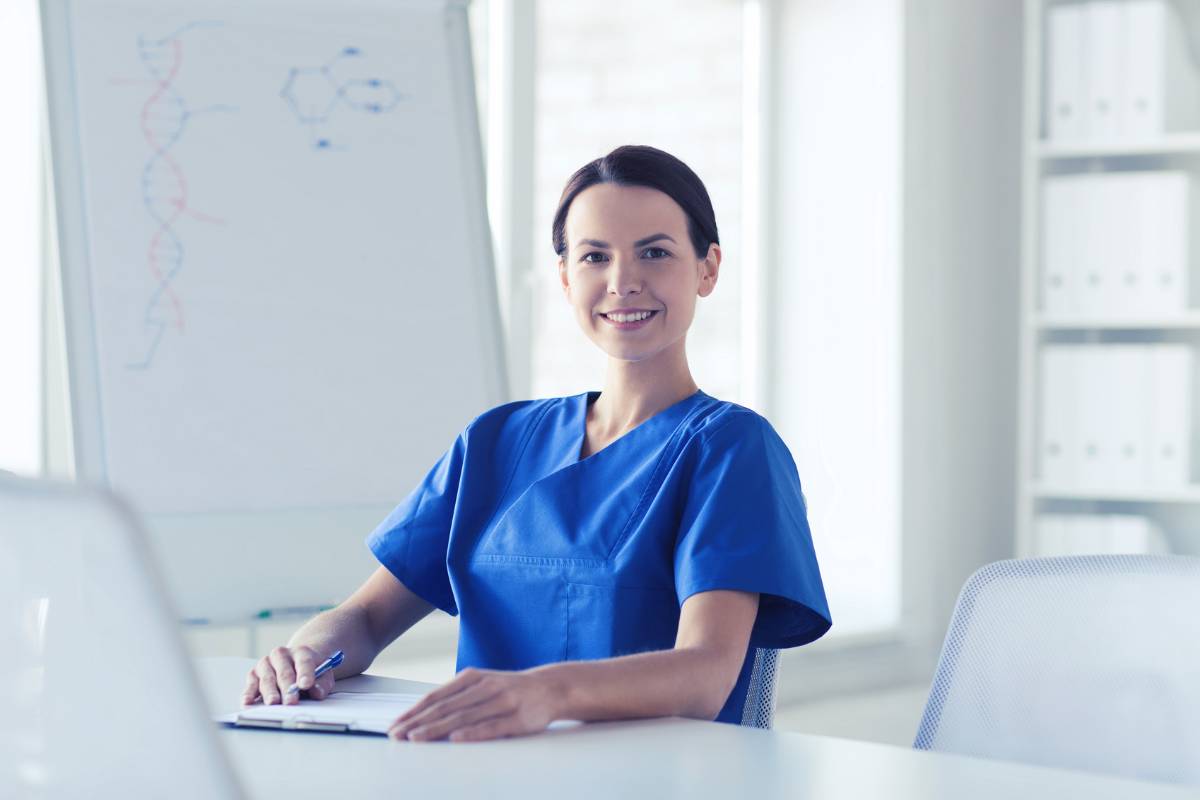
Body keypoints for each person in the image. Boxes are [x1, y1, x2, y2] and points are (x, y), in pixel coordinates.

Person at [242, 144, 832, 742]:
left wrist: (544, 693)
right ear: (566, 276)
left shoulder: (731, 448)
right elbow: (367, 619)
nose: (623, 281)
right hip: (481, 773)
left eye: (654, 252)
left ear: (707, 269)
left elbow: (706, 675)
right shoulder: (496, 442)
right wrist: (304, 653)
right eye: (594, 256)